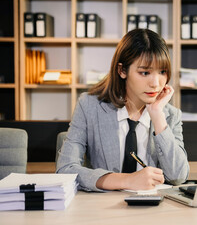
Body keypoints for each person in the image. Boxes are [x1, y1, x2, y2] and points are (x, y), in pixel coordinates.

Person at [56, 29, 189, 192]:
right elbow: (65, 169)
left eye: (162, 72)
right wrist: (128, 180)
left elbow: (178, 176)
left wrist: (157, 115)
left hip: (153, 210)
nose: (155, 83)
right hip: (103, 209)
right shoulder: (89, 106)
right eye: (145, 72)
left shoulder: (169, 114)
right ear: (122, 71)